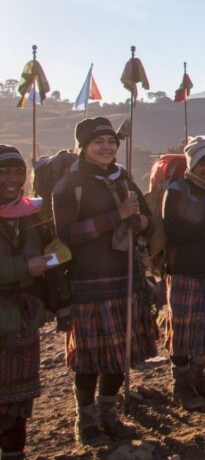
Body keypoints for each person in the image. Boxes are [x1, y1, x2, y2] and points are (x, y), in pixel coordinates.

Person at [53, 118, 158, 446]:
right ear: (83, 146)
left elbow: (149, 221)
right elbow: (66, 235)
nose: (107, 147)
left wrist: (139, 222)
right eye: (98, 142)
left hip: (126, 280)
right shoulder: (68, 185)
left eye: (111, 141)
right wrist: (115, 217)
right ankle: (86, 421)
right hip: (88, 284)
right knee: (90, 359)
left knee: (120, 354)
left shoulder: (122, 177)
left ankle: (109, 414)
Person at [0, 146, 65, 458]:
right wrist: (25, 268)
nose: (12, 179)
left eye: (18, 172)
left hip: (25, 320)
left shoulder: (32, 214)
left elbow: (54, 253)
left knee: (19, 404)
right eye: (4, 173)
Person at [161, 136, 205, 409]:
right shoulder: (177, 191)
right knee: (184, 328)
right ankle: (181, 384)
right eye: (204, 162)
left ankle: (197, 376)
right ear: (192, 163)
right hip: (186, 270)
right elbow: (173, 232)